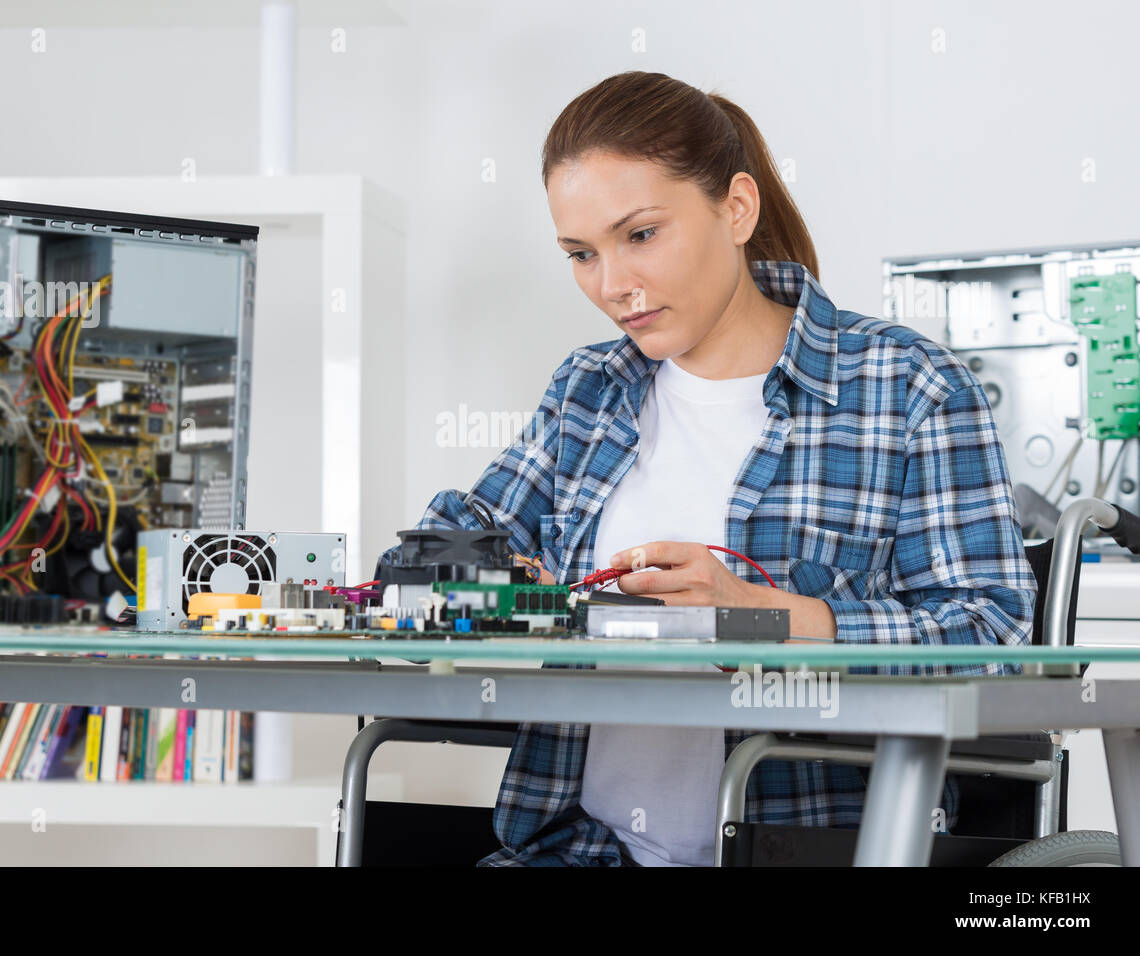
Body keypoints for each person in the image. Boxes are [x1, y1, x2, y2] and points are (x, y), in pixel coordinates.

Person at [375, 71, 1037, 867]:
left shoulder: (907, 388)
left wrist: (759, 617)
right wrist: (490, 583)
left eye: (641, 235)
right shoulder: (590, 389)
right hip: (573, 852)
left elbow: (991, 637)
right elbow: (434, 555)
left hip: (808, 848)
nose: (613, 285)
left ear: (737, 208)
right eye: (581, 254)